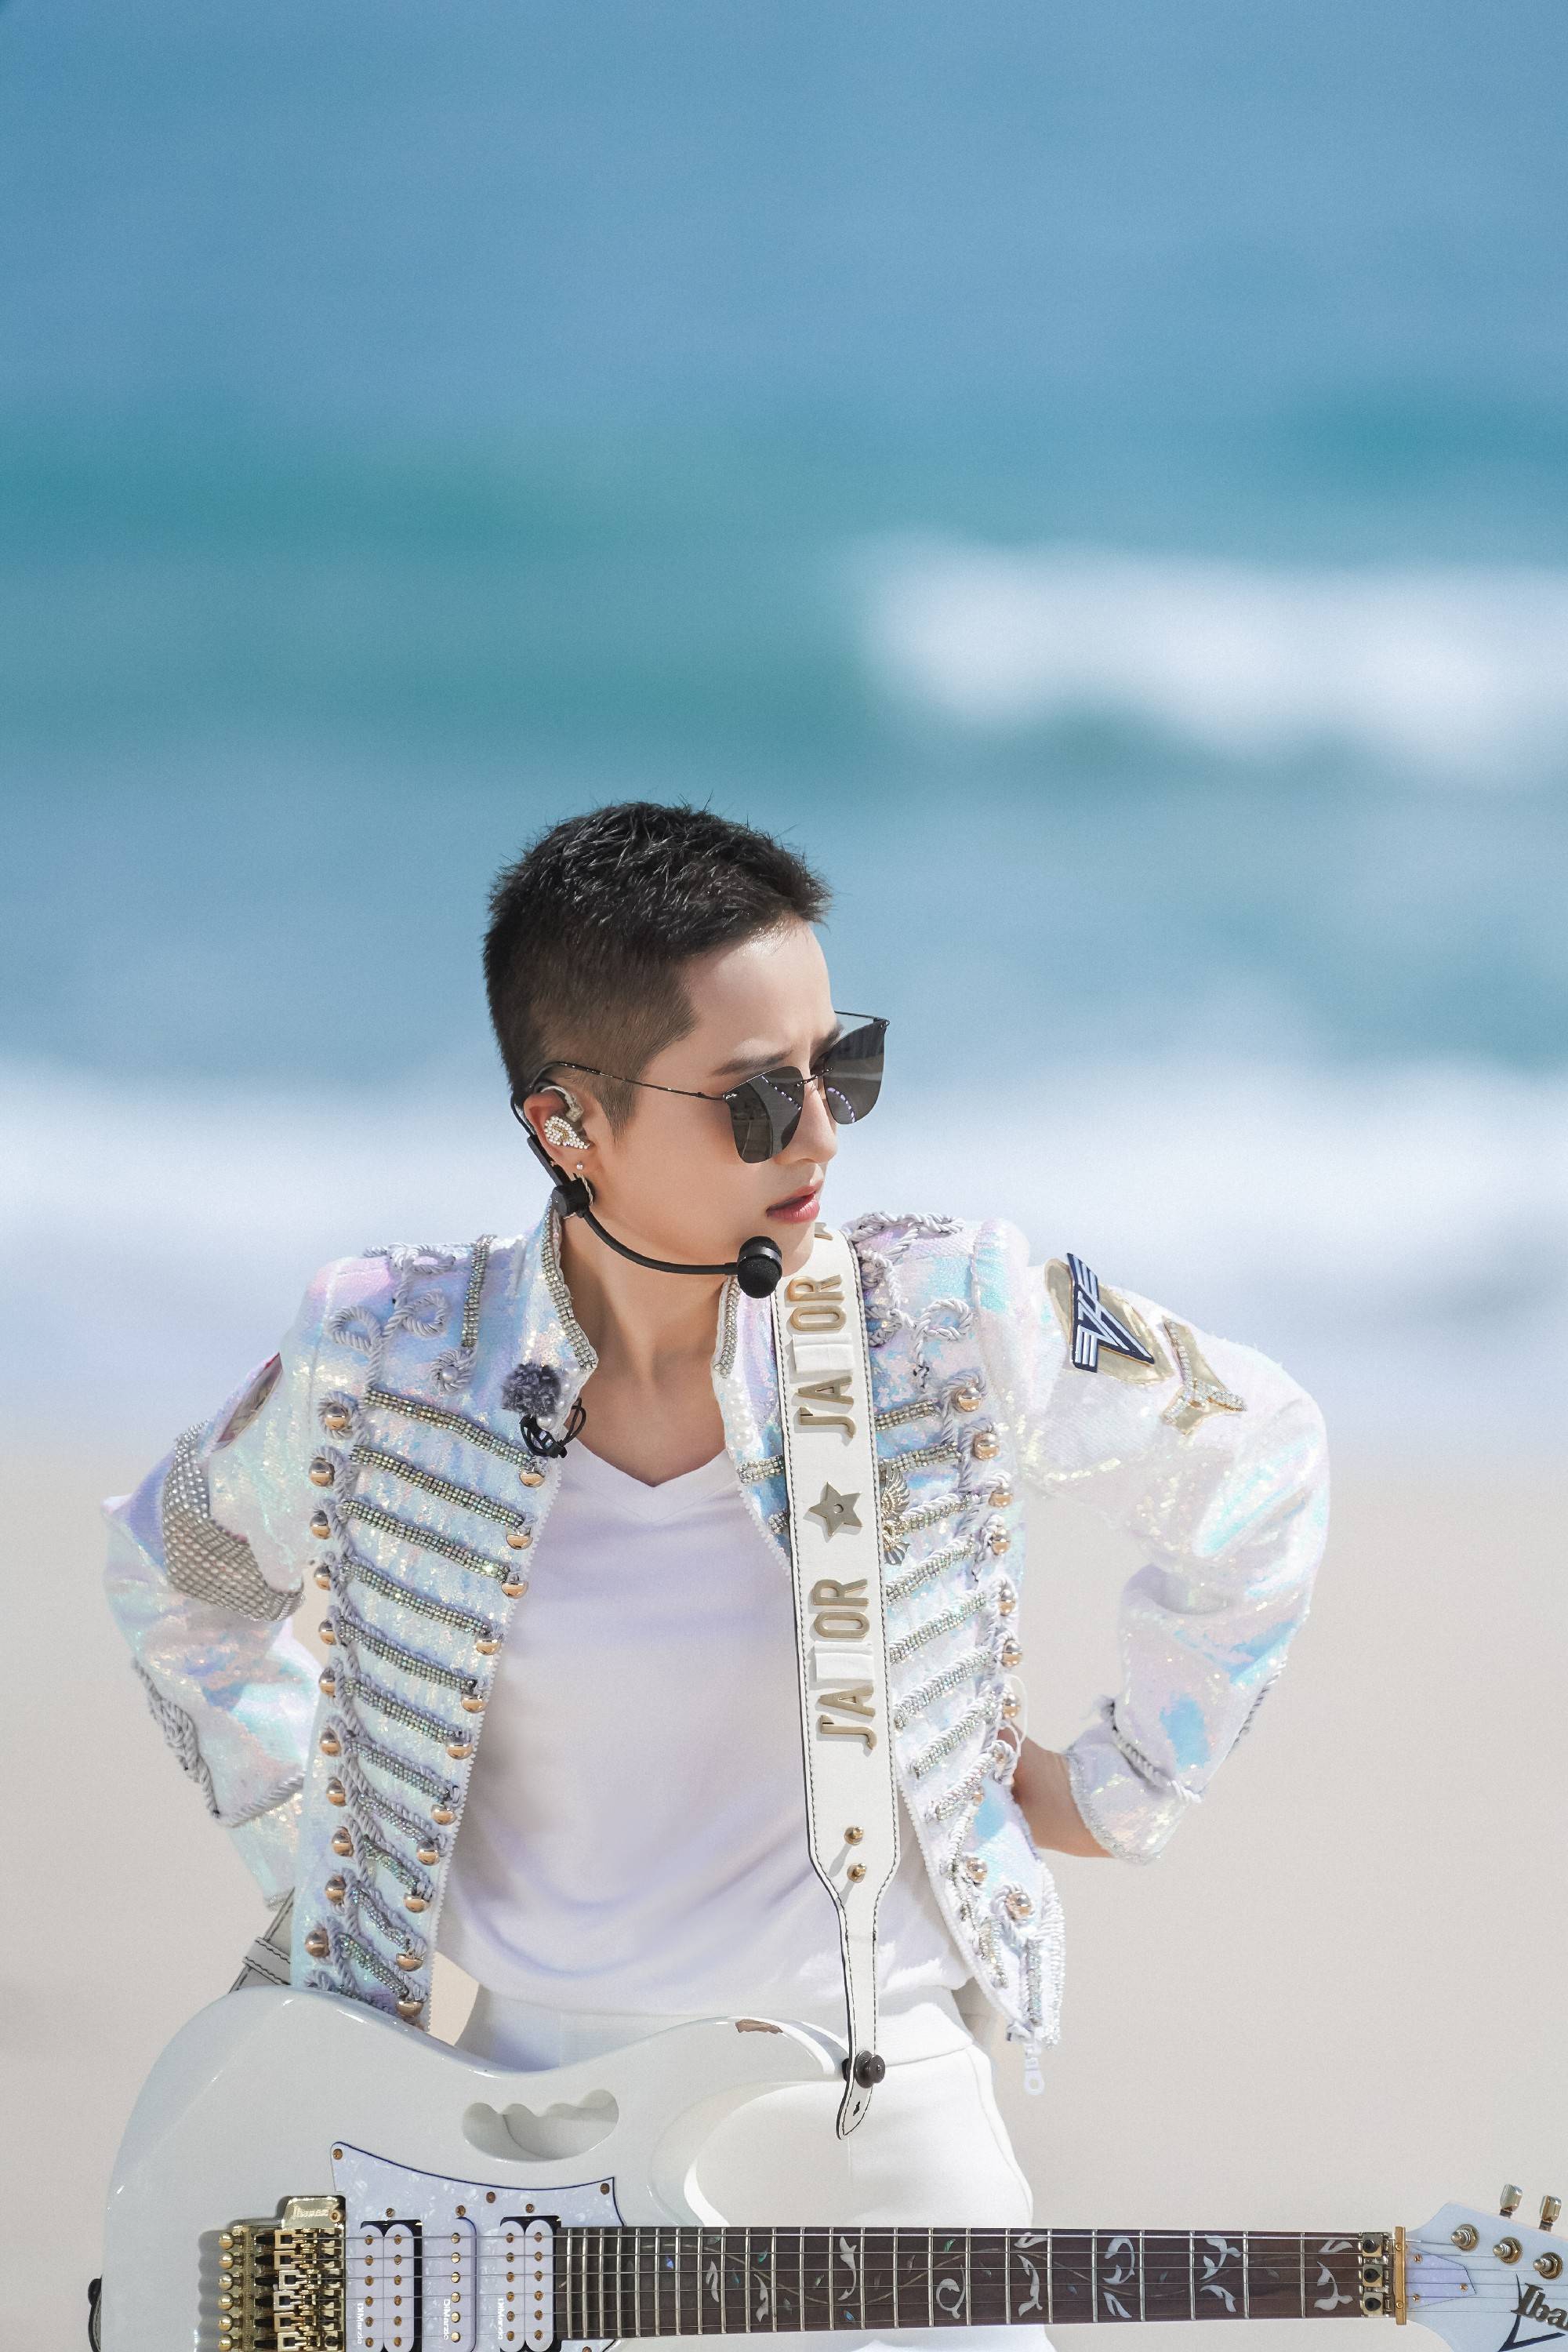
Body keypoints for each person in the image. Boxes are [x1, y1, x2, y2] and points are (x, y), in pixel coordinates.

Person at [104, 800, 1327, 2293]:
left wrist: (1125, 1783)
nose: (820, 1134)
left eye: (840, 1066)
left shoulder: (945, 1315)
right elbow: (175, 1574)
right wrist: (332, 1853)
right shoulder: (391, 1357)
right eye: (756, 1098)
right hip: (504, 2147)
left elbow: (1260, 1454)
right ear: (568, 1125)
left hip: (886, 2130)